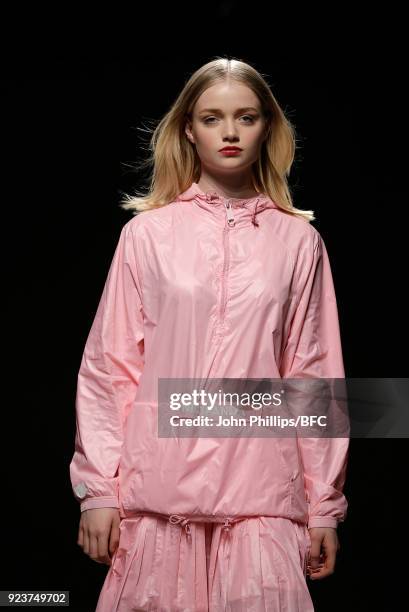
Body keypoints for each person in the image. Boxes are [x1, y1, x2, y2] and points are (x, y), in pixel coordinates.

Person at [69, 57, 349, 611]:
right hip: (157, 503)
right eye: (212, 117)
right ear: (188, 129)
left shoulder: (298, 243)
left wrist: (324, 506)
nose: (229, 132)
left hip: (262, 505)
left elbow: (313, 375)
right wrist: (97, 490)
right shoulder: (146, 236)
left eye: (245, 117)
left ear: (267, 127)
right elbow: (110, 368)